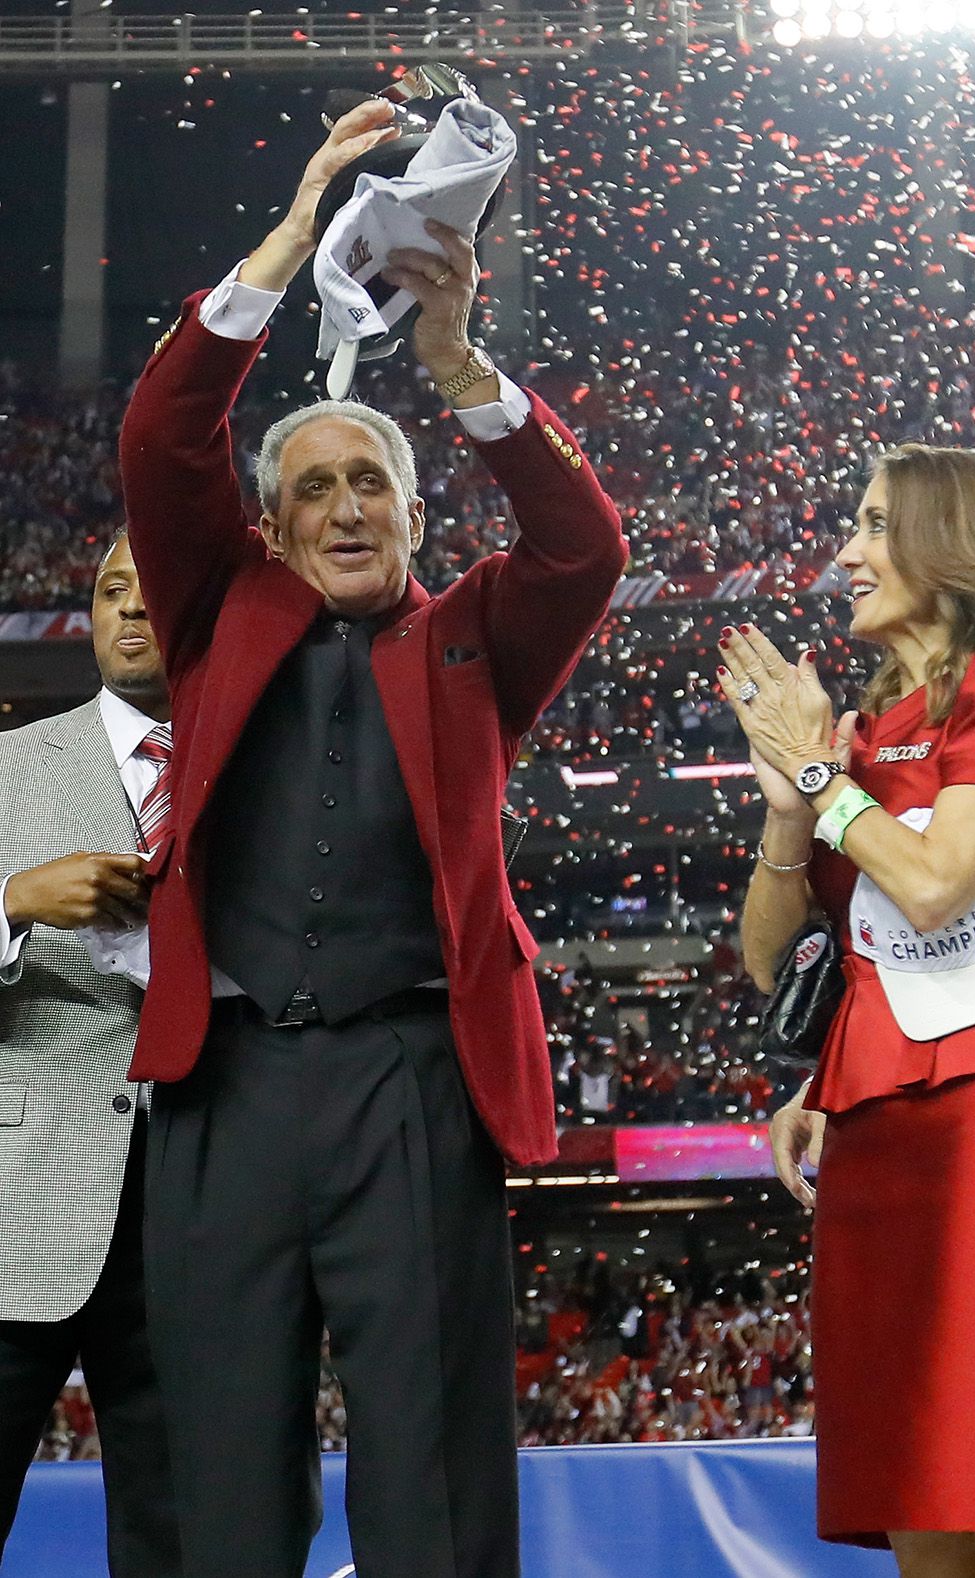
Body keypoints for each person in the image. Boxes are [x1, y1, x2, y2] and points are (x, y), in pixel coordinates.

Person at [118, 98, 626, 1578]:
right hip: (226, 1079)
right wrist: (293, 232)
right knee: (223, 1451)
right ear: (269, 524)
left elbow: (584, 546)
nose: (347, 504)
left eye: (375, 484)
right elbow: (166, 431)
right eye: (315, 486)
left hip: (416, 1077)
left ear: (416, 514)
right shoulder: (220, 608)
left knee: (437, 1453)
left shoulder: (478, 635)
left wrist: (462, 368)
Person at [725, 444, 975, 1576]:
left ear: (954, 545)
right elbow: (768, 961)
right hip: (871, 1124)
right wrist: (793, 810)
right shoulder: (854, 733)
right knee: (917, 1505)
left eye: (877, 526)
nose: (848, 552)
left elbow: (938, 892)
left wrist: (818, 783)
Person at [0, 532, 182, 1574]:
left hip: (196, 1213)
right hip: (18, 1205)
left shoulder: (262, 769)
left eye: (155, 593)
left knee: (175, 1541)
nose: (130, 611)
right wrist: (14, 901)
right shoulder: (12, 765)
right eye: (114, 590)